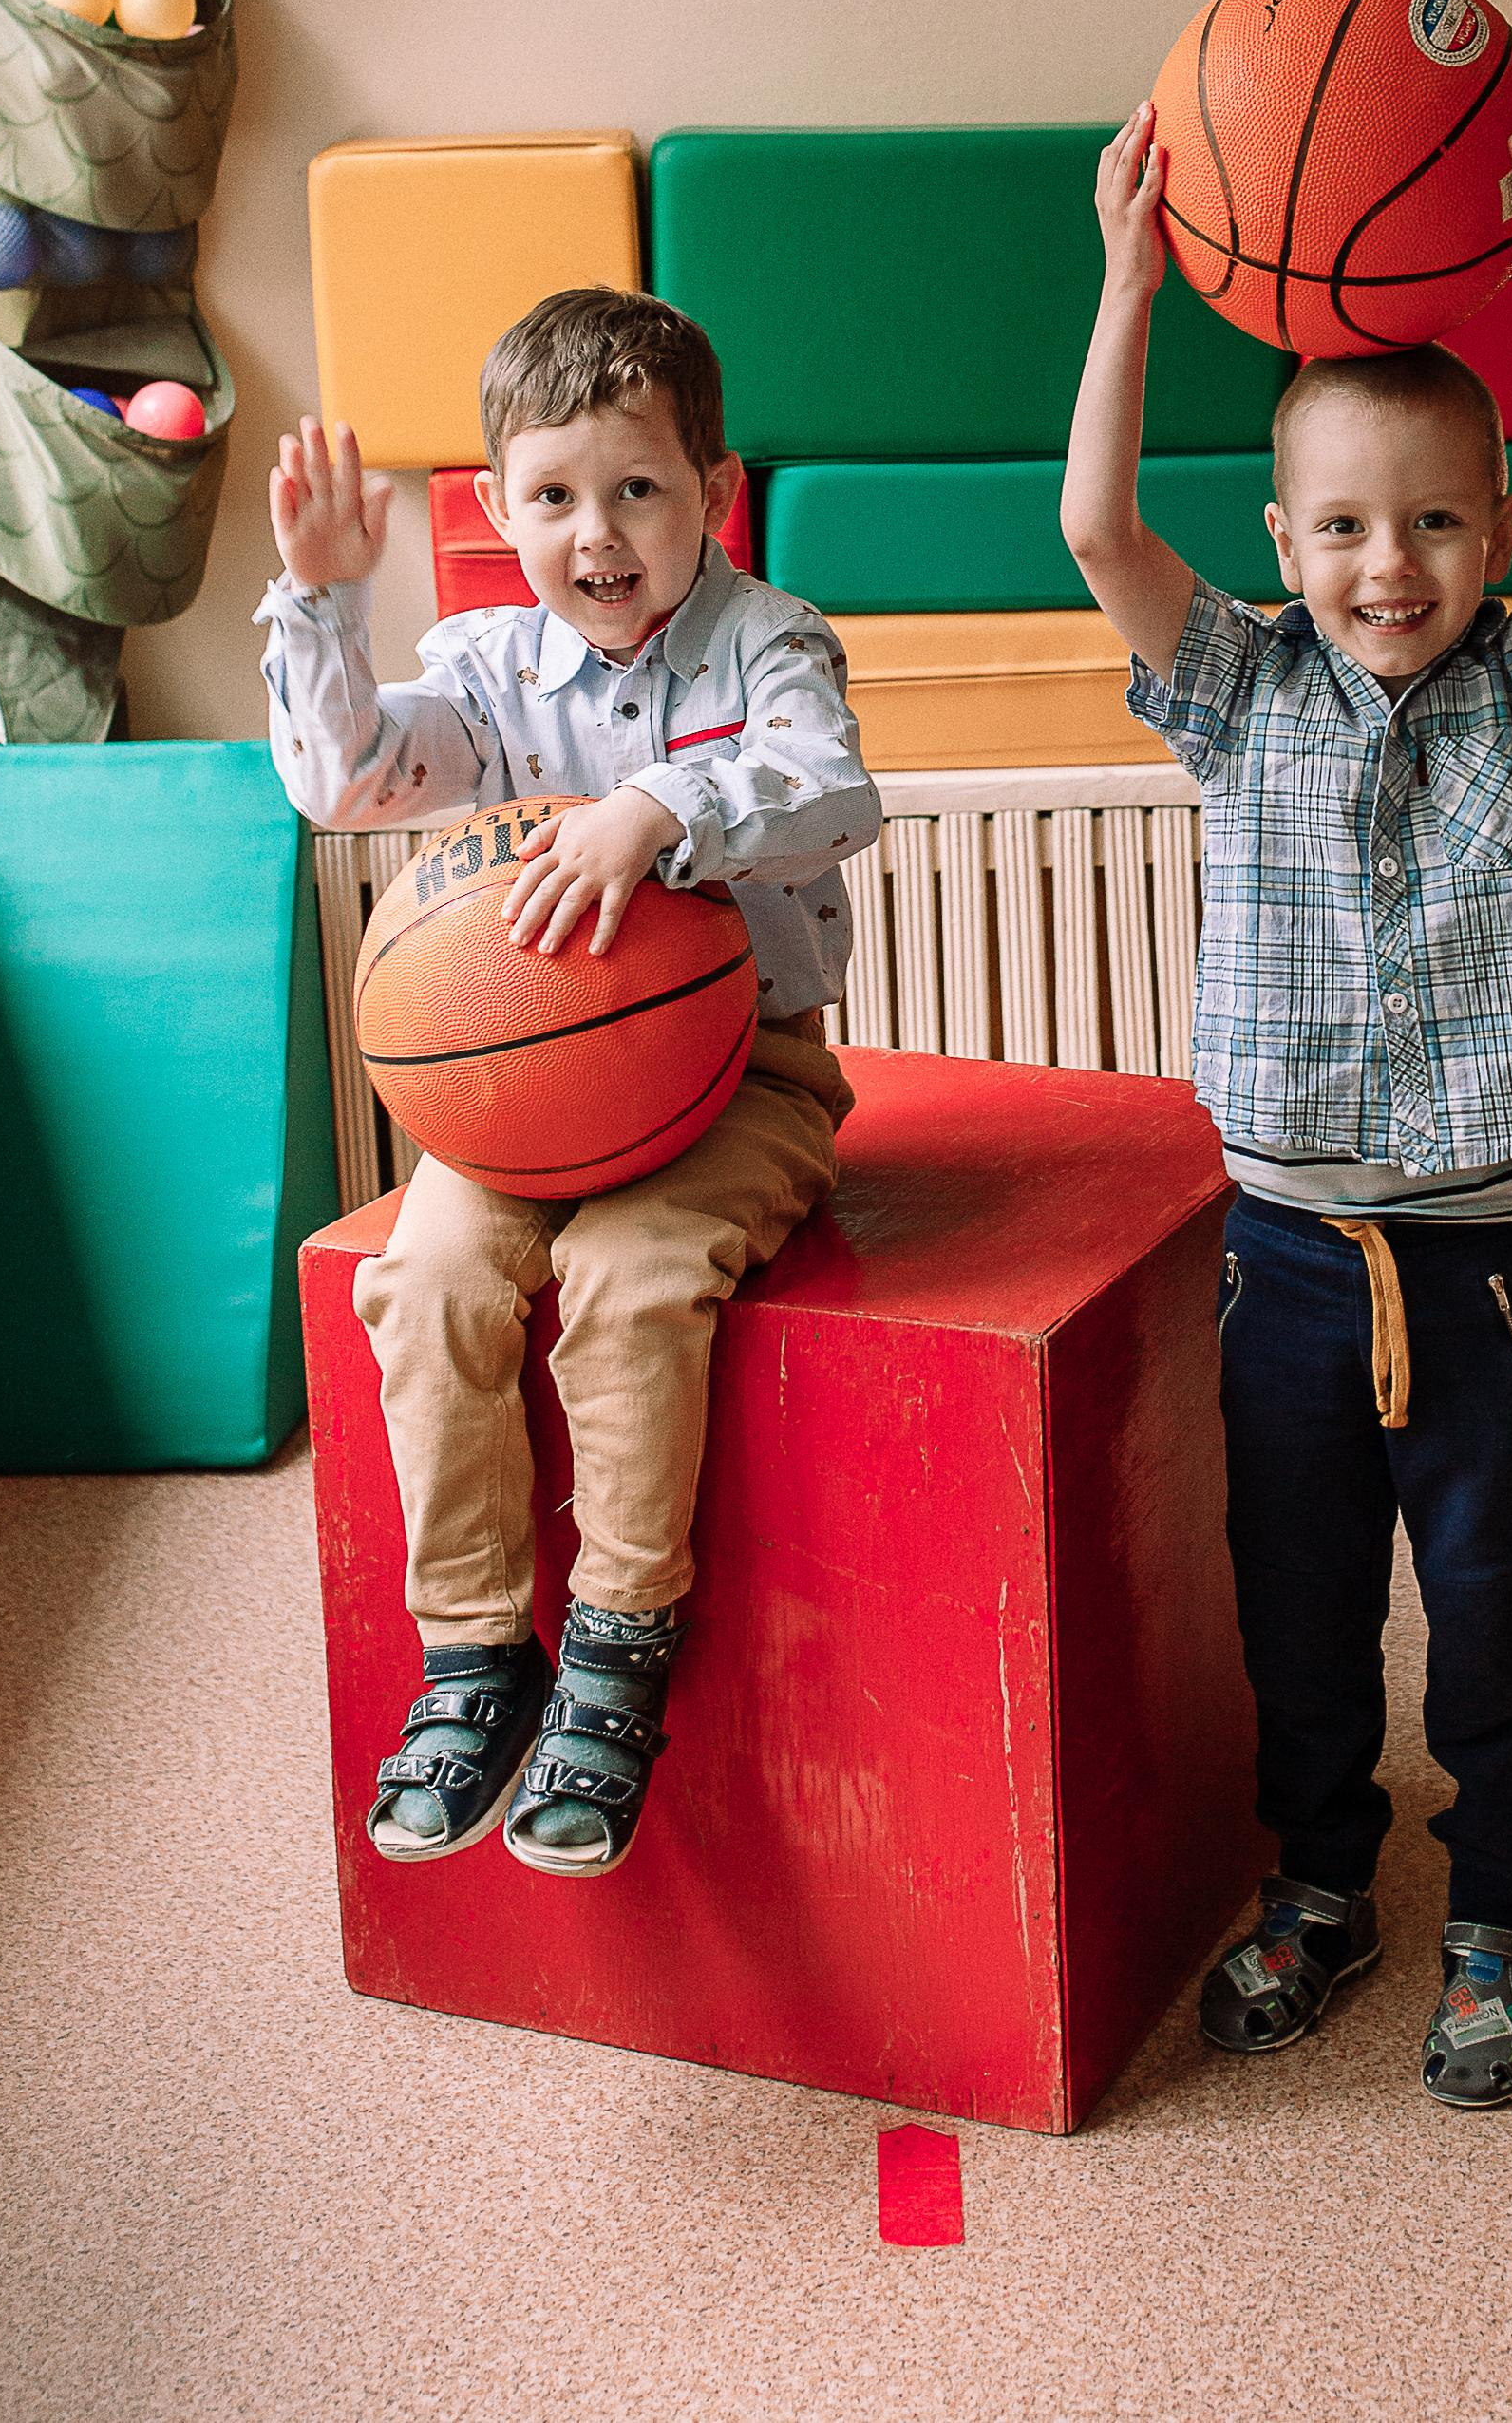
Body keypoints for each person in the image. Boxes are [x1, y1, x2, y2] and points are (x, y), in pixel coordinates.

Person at [1061, 85, 1512, 2108]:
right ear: (1280, 543)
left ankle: (1498, 1910)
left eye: (1433, 522)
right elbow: (1095, 529)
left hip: (1484, 1264)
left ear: (1495, 530)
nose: (1386, 563)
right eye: (1339, 525)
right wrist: (1130, 285)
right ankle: (1321, 1883)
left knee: (1491, 1612)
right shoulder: (1236, 693)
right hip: (1289, 1259)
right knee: (1297, 1613)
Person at [259, 288, 879, 1877]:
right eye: (552, 497)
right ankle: (475, 1651)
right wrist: (319, 601)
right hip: (527, 1097)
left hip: (739, 1077)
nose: (595, 534)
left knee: (626, 1276)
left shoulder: (768, 638)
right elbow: (345, 783)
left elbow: (830, 789)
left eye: (636, 489)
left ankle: (617, 1641)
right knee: (422, 1281)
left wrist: (656, 809)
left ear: (712, 491)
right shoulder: (485, 665)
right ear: (495, 508)